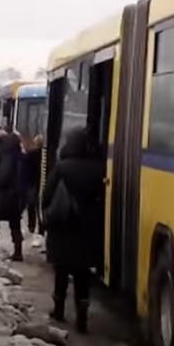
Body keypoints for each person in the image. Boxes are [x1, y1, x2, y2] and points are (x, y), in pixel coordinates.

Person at [43, 128, 104, 333]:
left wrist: (46, 216)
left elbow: (48, 194)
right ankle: (82, 318)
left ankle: (59, 310)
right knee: (82, 275)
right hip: (86, 231)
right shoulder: (98, 168)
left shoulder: (62, 167)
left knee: (61, 271)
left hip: (63, 227)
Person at [0, 132, 25, 261]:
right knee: (15, 224)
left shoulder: (7, 156)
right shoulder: (20, 156)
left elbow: (4, 176)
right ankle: (18, 251)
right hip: (17, 197)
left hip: (5, 195)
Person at [24, 134, 44, 236]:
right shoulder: (46, 155)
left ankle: (31, 225)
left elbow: (25, 169)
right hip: (41, 182)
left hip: (31, 183)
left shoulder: (30, 154)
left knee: (31, 205)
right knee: (40, 206)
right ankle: (41, 227)